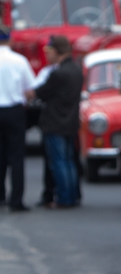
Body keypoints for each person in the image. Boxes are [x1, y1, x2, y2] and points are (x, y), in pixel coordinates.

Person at [25, 35, 83, 208]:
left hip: (55, 122)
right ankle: (72, 195)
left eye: (50, 51)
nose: (48, 55)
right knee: (69, 161)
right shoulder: (76, 70)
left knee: (58, 162)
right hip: (70, 121)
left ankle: (64, 198)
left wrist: (29, 93)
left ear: (57, 51)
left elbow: (39, 92)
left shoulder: (57, 73)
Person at [0, 26, 35, 212]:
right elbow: (30, 90)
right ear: (10, 40)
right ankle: (16, 201)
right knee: (16, 157)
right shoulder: (19, 61)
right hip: (14, 111)